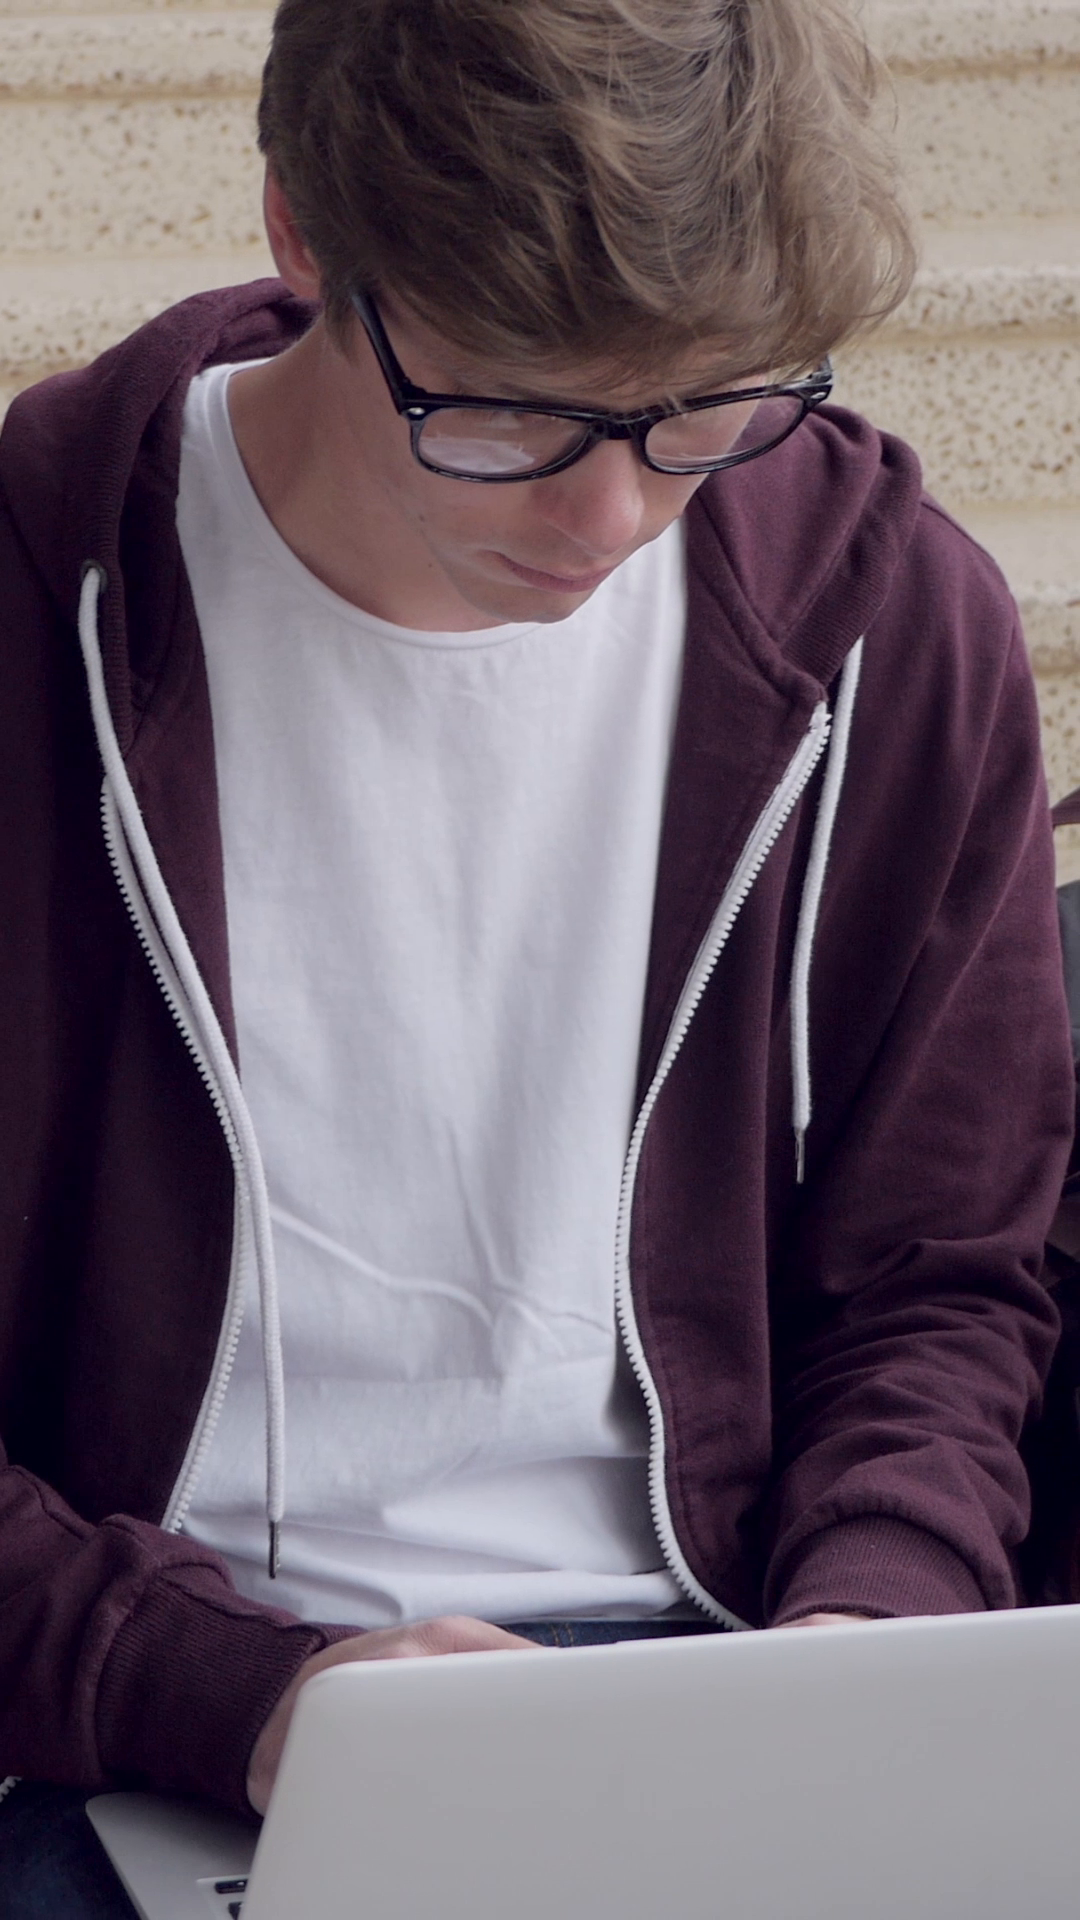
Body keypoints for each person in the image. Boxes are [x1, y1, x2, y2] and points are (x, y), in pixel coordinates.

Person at [0, 0, 1073, 1909]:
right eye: (508, 409)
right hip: (150, 1716)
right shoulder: (35, 602)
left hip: (728, 1662)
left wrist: (864, 1651)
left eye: (706, 411)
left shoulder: (890, 627)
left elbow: (943, 1282)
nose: (610, 516)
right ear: (304, 233)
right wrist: (236, 1693)